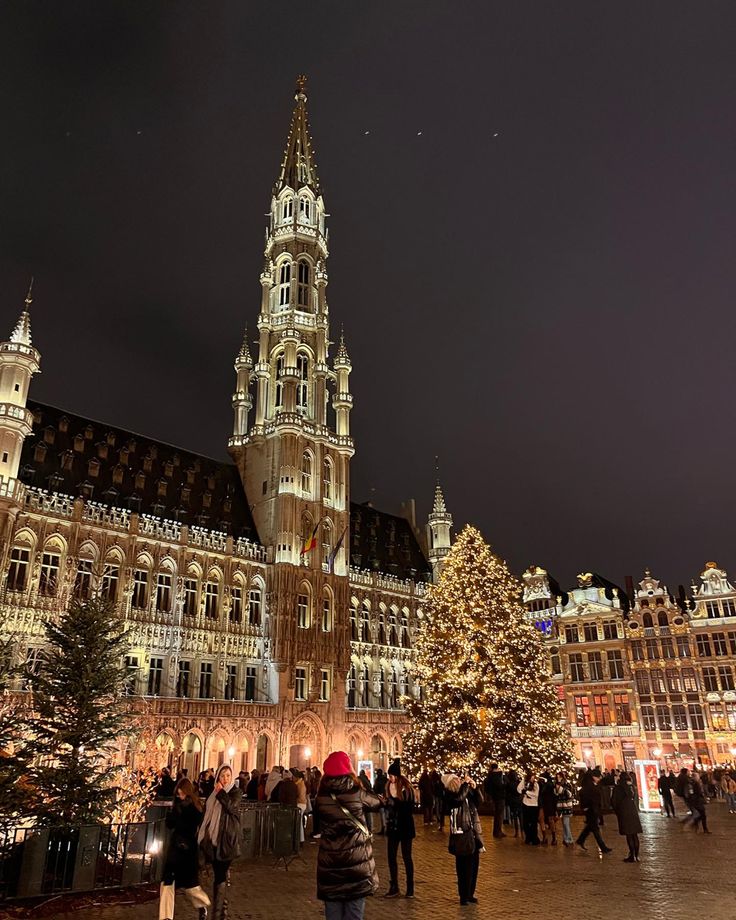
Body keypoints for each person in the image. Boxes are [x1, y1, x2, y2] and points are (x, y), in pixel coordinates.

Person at [315, 750, 382, 920]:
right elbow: (376, 802)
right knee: (354, 914)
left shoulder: (321, 797)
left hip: (330, 863)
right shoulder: (356, 793)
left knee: (333, 914)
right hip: (355, 863)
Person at [158, 778, 210, 920]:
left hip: (187, 851)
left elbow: (192, 826)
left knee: (191, 886)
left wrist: (180, 815)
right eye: (178, 794)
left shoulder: (194, 808)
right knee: (167, 883)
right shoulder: (177, 806)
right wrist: (174, 812)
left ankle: (202, 905)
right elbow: (170, 824)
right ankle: (166, 917)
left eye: (182, 794)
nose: (180, 796)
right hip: (175, 849)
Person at [197, 764, 242, 920]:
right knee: (214, 876)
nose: (225, 779)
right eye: (222, 775)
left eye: (228, 775)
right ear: (218, 777)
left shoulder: (235, 792)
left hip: (225, 841)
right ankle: (220, 910)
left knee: (221, 876)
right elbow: (206, 814)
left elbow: (231, 806)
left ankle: (217, 915)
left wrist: (220, 792)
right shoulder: (212, 795)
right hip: (211, 840)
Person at [443, 774, 485, 906]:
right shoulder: (450, 795)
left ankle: (470, 893)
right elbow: (458, 800)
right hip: (461, 835)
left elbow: (479, 802)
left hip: (473, 833)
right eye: (456, 779)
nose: (459, 781)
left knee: (474, 866)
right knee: (463, 868)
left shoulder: (466, 792)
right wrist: (466, 786)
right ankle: (463, 895)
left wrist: (475, 788)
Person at [383, 760, 415, 899]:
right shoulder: (388, 787)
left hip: (405, 826)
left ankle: (410, 887)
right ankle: (394, 885)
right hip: (393, 827)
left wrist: (394, 803)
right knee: (391, 856)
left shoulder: (406, 789)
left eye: (392, 776)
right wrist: (385, 803)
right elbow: (390, 807)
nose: (390, 778)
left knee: (407, 857)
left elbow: (408, 808)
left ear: (397, 776)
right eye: (389, 776)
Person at [576, 769, 612, 854]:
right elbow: (584, 795)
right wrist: (585, 806)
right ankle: (603, 847)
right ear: (593, 777)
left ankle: (580, 841)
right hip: (591, 809)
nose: (599, 778)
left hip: (594, 809)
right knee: (595, 829)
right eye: (598, 777)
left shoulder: (593, 784)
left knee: (589, 828)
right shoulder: (588, 785)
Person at [611, 772, 642, 862]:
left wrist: (617, 811)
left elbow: (614, 801)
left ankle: (632, 856)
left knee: (629, 835)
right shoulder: (631, 787)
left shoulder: (618, 788)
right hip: (632, 810)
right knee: (634, 835)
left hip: (624, 811)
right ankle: (637, 855)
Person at [484, 763, 506, 839]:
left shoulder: (489, 776)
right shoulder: (498, 776)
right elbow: (501, 785)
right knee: (499, 815)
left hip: (494, 797)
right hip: (500, 796)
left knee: (497, 814)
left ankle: (497, 831)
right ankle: (498, 831)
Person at [518, 771, 540, 845]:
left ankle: (534, 838)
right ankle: (528, 837)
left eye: (534, 777)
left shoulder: (536, 784)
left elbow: (536, 794)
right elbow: (518, 789)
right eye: (531, 777)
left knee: (533, 823)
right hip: (526, 804)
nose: (533, 778)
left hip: (534, 805)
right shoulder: (524, 782)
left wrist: (526, 792)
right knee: (525, 823)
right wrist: (523, 789)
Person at [554, 773, 574, 846]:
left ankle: (569, 839)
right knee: (564, 823)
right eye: (557, 777)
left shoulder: (567, 784)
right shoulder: (556, 784)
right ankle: (566, 838)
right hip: (560, 806)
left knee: (566, 823)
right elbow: (556, 793)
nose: (558, 778)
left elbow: (566, 793)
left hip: (566, 806)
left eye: (559, 777)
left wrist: (560, 787)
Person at [539, 772, 558, 845]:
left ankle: (552, 838)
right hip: (545, 804)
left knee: (549, 820)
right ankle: (546, 838)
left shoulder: (549, 785)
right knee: (542, 819)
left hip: (549, 804)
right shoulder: (545, 784)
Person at [293, 769, 309, 843]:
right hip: (302, 803)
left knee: (299, 823)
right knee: (299, 822)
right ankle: (300, 838)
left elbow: (300, 795)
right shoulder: (301, 783)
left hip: (300, 804)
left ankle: (300, 839)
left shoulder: (299, 785)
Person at [505, 769, 522, 838]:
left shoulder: (509, 784)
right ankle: (522, 832)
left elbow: (507, 792)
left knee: (515, 817)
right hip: (519, 800)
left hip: (513, 801)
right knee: (521, 816)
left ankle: (517, 832)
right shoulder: (519, 783)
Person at [373, 768, 387, 834]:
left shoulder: (377, 780)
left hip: (380, 799)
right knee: (386, 813)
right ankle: (387, 827)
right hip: (386, 798)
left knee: (382, 814)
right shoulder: (386, 779)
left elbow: (375, 789)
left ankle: (383, 827)